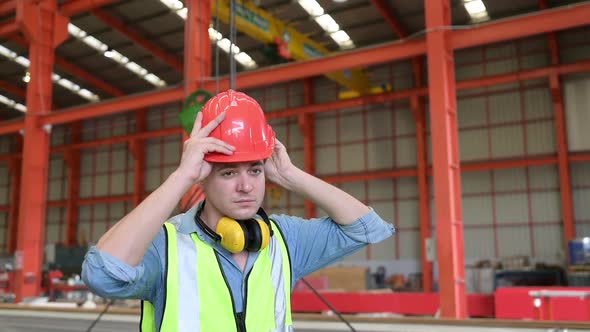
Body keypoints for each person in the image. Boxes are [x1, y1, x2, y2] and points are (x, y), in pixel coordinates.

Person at [82, 89, 395, 332]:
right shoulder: (167, 246)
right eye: (229, 173)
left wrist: (291, 175)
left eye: (255, 170)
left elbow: (367, 228)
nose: (246, 186)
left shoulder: (285, 240)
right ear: (204, 177)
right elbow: (102, 274)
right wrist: (181, 177)